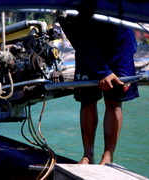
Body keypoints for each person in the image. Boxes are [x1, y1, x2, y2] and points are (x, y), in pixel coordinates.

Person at [59, 14, 139, 165]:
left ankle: (108, 156)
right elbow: (76, 36)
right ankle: (88, 155)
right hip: (87, 49)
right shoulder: (64, 9)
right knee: (87, 101)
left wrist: (107, 72)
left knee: (113, 102)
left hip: (120, 47)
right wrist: (102, 72)